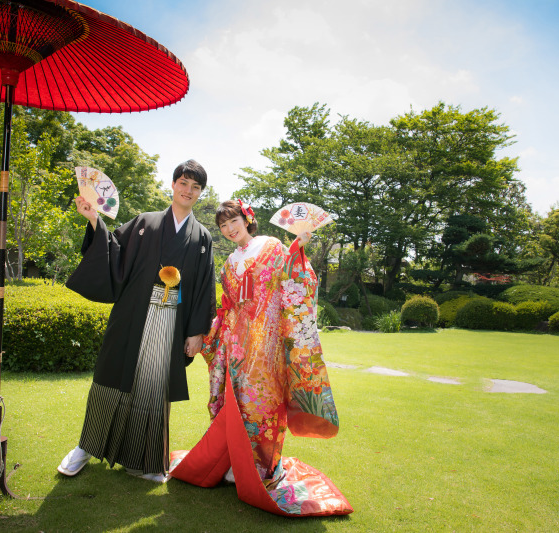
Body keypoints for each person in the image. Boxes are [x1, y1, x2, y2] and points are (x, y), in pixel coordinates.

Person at [170, 200, 353, 516]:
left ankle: (264, 468)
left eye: (233, 221)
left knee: (263, 404)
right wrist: (209, 335)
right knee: (237, 403)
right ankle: (235, 464)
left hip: (266, 339)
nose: (229, 229)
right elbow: (226, 304)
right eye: (224, 225)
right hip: (238, 341)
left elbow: (290, 278)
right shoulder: (229, 262)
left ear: (247, 218)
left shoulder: (269, 245)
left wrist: (298, 246)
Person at [58, 159, 216, 483]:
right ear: (173, 185)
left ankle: (144, 461)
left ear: (200, 193)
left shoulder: (202, 238)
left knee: (152, 390)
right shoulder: (146, 221)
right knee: (108, 378)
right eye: (183, 183)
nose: (188, 191)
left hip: (169, 320)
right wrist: (93, 219)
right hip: (132, 312)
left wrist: (197, 332)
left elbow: (203, 287)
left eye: (195, 187)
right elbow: (113, 250)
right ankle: (85, 448)